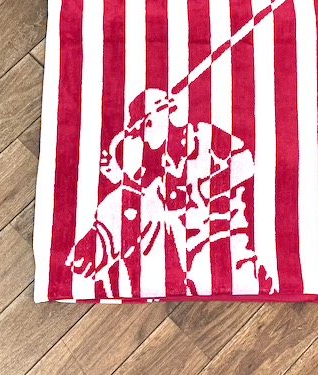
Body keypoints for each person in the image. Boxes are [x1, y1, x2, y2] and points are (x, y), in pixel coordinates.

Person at [67, 88, 271, 298]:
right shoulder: (160, 164)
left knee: (225, 274)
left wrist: (201, 189)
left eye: (145, 127)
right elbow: (144, 202)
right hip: (187, 251)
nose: (143, 137)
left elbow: (245, 162)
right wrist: (121, 178)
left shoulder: (203, 136)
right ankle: (98, 250)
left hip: (226, 240)